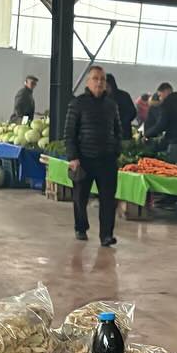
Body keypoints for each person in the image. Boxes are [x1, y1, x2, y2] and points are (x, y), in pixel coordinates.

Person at [63, 64, 123, 246]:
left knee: (108, 200)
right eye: (95, 79)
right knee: (80, 198)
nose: (99, 82)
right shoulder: (77, 103)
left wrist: (116, 151)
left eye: (102, 79)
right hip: (84, 159)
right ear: (88, 82)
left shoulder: (111, 105)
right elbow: (69, 133)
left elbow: (118, 130)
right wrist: (73, 157)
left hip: (107, 161)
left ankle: (106, 235)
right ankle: (80, 228)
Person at [143, 82, 177, 164]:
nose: (160, 98)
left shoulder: (167, 104)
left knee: (175, 171)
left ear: (165, 92)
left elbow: (161, 125)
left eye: (160, 95)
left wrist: (147, 134)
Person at [106, 71, 136, 142]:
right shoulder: (103, 98)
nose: (105, 89)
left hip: (124, 134)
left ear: (112, 85)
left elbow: (132, 112)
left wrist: (122, 122)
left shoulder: (124, 96)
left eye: (107, 86)